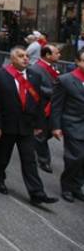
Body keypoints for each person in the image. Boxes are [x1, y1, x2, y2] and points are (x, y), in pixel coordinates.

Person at [0, 47, 58, 205]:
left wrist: (39, 123)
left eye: (27, 56)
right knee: (2, 156)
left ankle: (37, 193)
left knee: (29, 160)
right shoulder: (1, 75)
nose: (25, 59)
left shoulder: (33, 76)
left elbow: (38, 102)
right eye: (21, 56)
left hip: (27, 126)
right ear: (12, 59)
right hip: (7, 125)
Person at [51, 48, 84, 202]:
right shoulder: (65, 80)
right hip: (73, 125)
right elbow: (56, 106)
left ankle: (77, 186)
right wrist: (56, 126)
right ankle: (67, 186)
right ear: (77, 62)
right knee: (75, 157)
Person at [28, 44, 60, 174]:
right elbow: (35, 87)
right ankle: (43, 160)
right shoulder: (36, 69)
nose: (59, 55)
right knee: (42, 134)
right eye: (56, 53)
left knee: (46, 133)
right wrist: (53, 92)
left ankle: (32, 143)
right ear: (47, 55)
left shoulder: (54, 67)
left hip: (53, 106)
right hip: (42, 106)